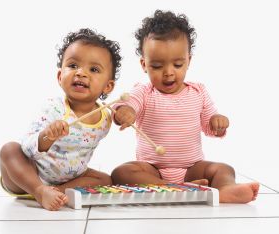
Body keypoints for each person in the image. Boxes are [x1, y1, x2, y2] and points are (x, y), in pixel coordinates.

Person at [111, 10, 259, 203]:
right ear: (144, 64)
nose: (168, 73)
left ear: (189, 60)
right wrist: (124, 112)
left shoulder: (198, 92)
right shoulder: (144, 92)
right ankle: (173, 189)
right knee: (121, 172)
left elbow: (209, 125)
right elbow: (126, 104)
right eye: (157, 66)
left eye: (178, 64)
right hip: (152, 170)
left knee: (223, 169)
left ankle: (224, 189)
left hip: (192, 168)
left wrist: (217, 122)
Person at [0, 28, 122, 210]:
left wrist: (125, 114)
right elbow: (27, 148)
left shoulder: (105, 117)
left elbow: (124, 112)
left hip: (69, 178)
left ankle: (58, 192)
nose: (80, 73)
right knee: (9, 150)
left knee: (105, 180)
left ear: (108, 86)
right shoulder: (54, 108)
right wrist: (47, 137)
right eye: (73, 66)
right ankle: (39, 191)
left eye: (94, 69)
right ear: (59, 76)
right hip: (31, 174)